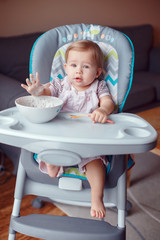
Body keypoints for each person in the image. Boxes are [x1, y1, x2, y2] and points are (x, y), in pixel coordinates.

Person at [21, 40, 114, 219]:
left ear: (97, 72)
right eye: (73, 65)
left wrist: (103, 109)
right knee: (50, 148)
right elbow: (46, 93)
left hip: (88, 140)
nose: (78, 71)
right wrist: (38, 90)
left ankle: (97, 197)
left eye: (86, 66)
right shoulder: (60, 84)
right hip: (60, 136)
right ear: (65, 68)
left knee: (96, 164)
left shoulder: (99, 86)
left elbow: (108, 102)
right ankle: (53, 164)